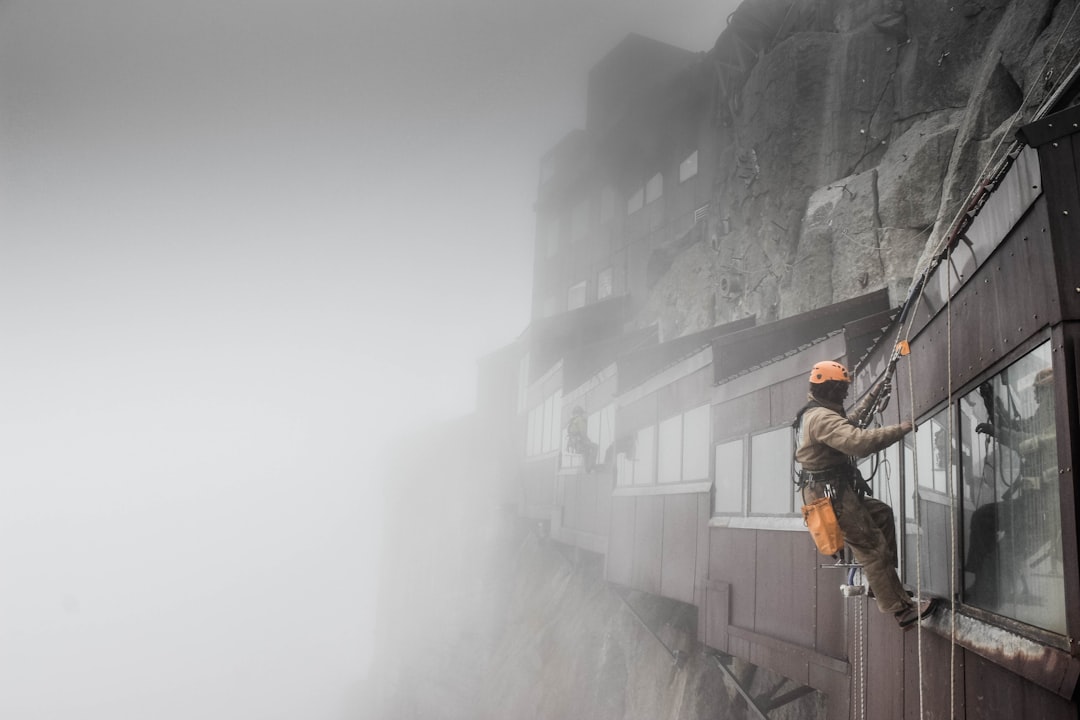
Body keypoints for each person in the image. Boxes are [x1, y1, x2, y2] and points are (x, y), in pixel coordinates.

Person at [794, 360, 937, 629]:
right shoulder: (821, 418)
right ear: (832, 390)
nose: (845, 395)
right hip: (832, 496)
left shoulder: (815, 412)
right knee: (871, 546)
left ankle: (882, 586)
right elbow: (857, 442)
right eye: (842, 390)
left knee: (881, 515)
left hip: (830, 491)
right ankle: (900, 609)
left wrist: (874, 394)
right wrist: (902, 429)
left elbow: (847, 425)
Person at [967, 367, 1057, 604]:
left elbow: (1021, 438)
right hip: (1029, 505)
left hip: (1043, 512)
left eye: (1043, 394)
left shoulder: (1057, 422)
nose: (1039, 400)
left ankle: (985, 598)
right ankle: (978, 583)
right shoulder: (1043, 417)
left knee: (1003, 555)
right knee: (982, 518)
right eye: (1039, 394)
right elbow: (1018, 428)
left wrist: (997, 431)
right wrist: (990, 402)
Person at [566, 406, 598, 472]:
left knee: (587, 449)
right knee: (595, 447)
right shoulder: (580, 419)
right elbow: (583, 433)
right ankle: (591, 466)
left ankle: (587, 467)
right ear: (580, 413)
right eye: (582, 413)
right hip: (580, 443)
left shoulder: (572, 421)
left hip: (574, 444)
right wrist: (588, 440)